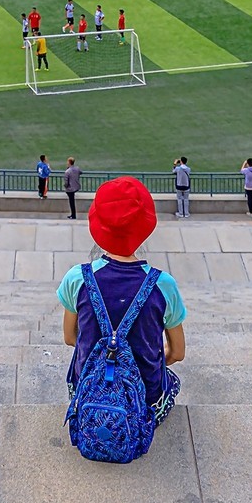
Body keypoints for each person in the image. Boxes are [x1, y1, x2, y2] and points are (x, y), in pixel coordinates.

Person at [58, 176, 186, 449]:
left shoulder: (77, 278)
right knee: (171, 381)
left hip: (89, 395)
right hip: (145, 402)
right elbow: (177, 353)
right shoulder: (164, 285)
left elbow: (70, 338)